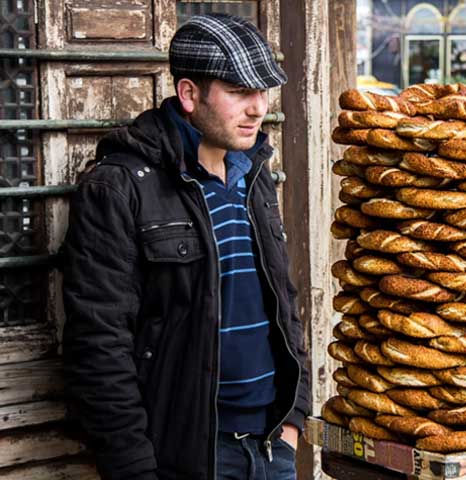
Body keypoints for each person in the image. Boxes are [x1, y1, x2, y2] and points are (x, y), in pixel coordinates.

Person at [61, 13, 309, 480]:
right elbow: (98, 343)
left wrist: (294, 418)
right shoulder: (119, 188)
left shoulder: (253, 174)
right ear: (190, 94)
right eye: (239, 92)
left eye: (262, 92)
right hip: (192, 457)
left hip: (273, 446)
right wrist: (133, 468)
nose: (258, 108)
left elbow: (284, 302)